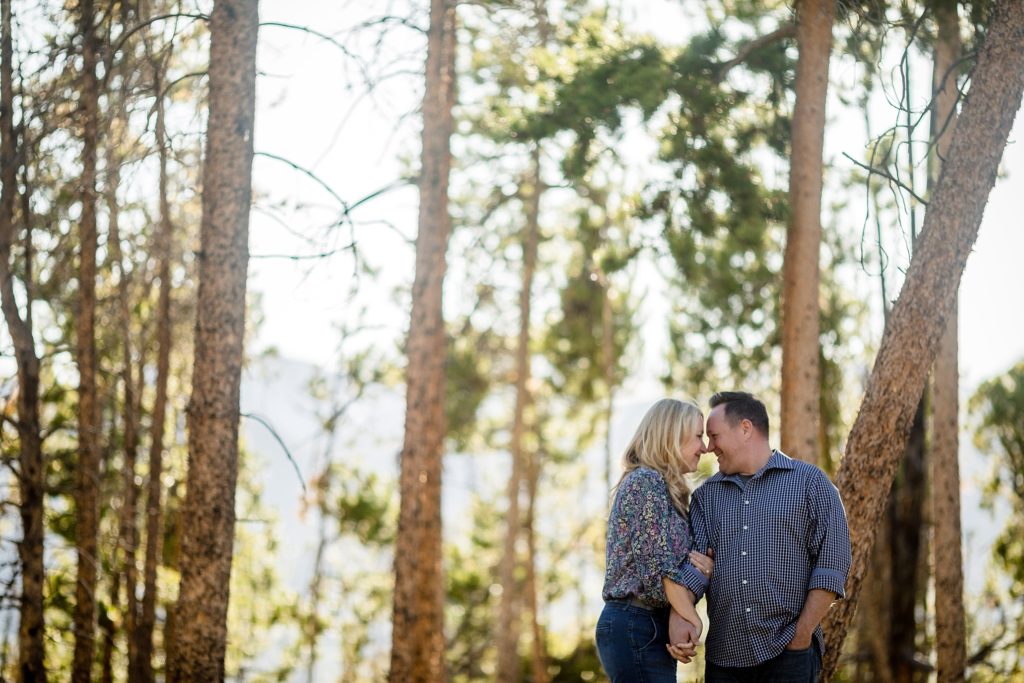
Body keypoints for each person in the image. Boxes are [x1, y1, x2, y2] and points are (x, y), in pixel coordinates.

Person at [668, 391, 852, 682]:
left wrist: (801, 637)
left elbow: (832, 566)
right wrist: (680, 618)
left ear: (745, 429)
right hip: (724, 661)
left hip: (789, 656)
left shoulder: (811, 484)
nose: (708, 447)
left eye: (714, 436)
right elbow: (697, 567)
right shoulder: (706, 498)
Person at [596, 398, 715, 683]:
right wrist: (694, 620)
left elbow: (681, 571)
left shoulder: (668, 492)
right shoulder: (644, 482)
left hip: (649, 625)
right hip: (633, 625)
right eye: (698, 435)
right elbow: (660, 571)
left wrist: (703, 570)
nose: (705, 447)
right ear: (672, 436)